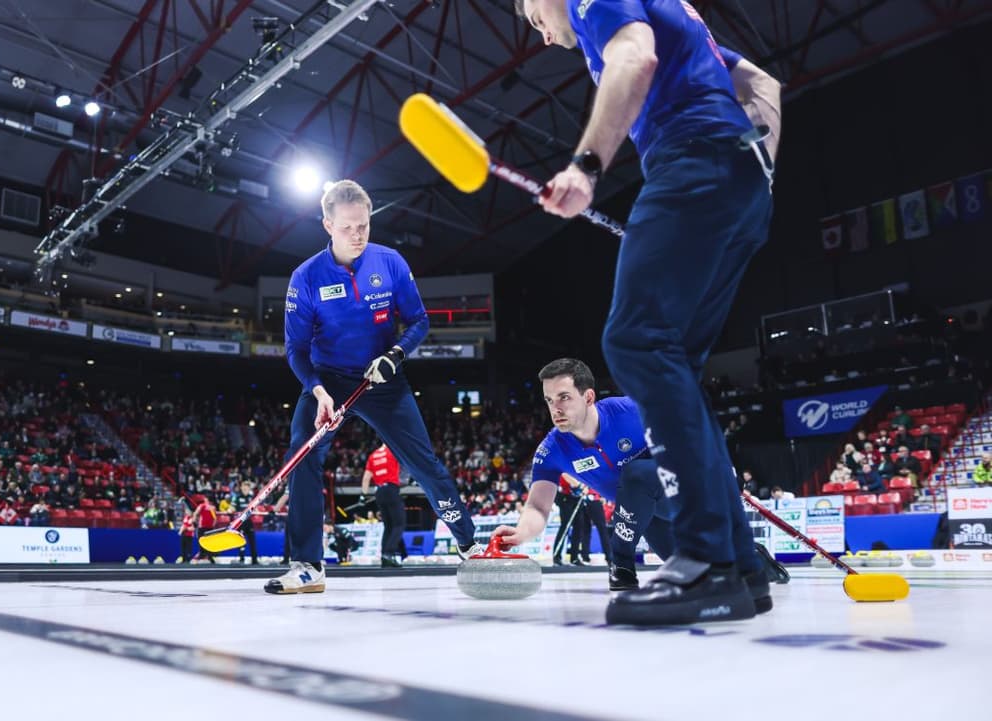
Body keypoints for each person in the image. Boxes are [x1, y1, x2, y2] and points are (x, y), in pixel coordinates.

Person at [517, 0, 780, 624]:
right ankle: (739, 568)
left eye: (532, 17)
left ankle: (707, 561)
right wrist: (760, 171)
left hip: (690, 160)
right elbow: (762, 85)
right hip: (741, 178)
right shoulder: (671, 7)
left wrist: (585, 167)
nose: (543, 34)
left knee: (634, 342)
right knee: (675, 371)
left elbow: (634, 56)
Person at [265, 180, 482, 594]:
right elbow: (295, 347)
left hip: (383, 378)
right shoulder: (306, 277)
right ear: (328, 224)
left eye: (364, 225)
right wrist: (316, 389)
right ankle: (308, 566)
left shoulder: (390, 262)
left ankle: (469, 544)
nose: (357, 235)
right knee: (302, 455)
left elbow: (419, 321)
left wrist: (396, 355)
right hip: (327, 380)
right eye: (347, 227)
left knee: (423, 463)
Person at [494, 358, 774, 610]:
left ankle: (621, 563)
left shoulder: (631, 410)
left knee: (636, 473)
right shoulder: (551, 449)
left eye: (564, 397)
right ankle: (748, 555)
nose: (555, 408)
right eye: (549, 400)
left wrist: (726, 473)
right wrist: (520, 532)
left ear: (588, 396)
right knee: (692, 566)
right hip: (644, 514)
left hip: (681, 494)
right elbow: (538, 507)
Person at [360, 442, 406, 568]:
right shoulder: (393, 451)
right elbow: (407, 463)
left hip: (379, 492)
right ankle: (388, 554)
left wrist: (363, 496)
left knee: (388, 526)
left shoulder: (373, 455)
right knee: (399, 524)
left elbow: (366, 478)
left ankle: (385, 558)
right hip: (391, 489)